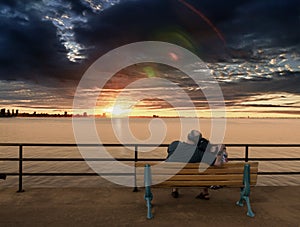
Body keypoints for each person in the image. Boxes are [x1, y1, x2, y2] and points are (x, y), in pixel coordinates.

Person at [166, 130, 226, 199]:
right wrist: (220, 151)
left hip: (171, 178)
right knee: (204, 167)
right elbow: (218, 163)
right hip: (192, 179)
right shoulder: (199, 153)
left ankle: (175, 190)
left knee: (176, 163)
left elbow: (169, 152)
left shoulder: (174, 144)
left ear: (188, 136)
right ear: (198, 141)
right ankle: (205, 193)